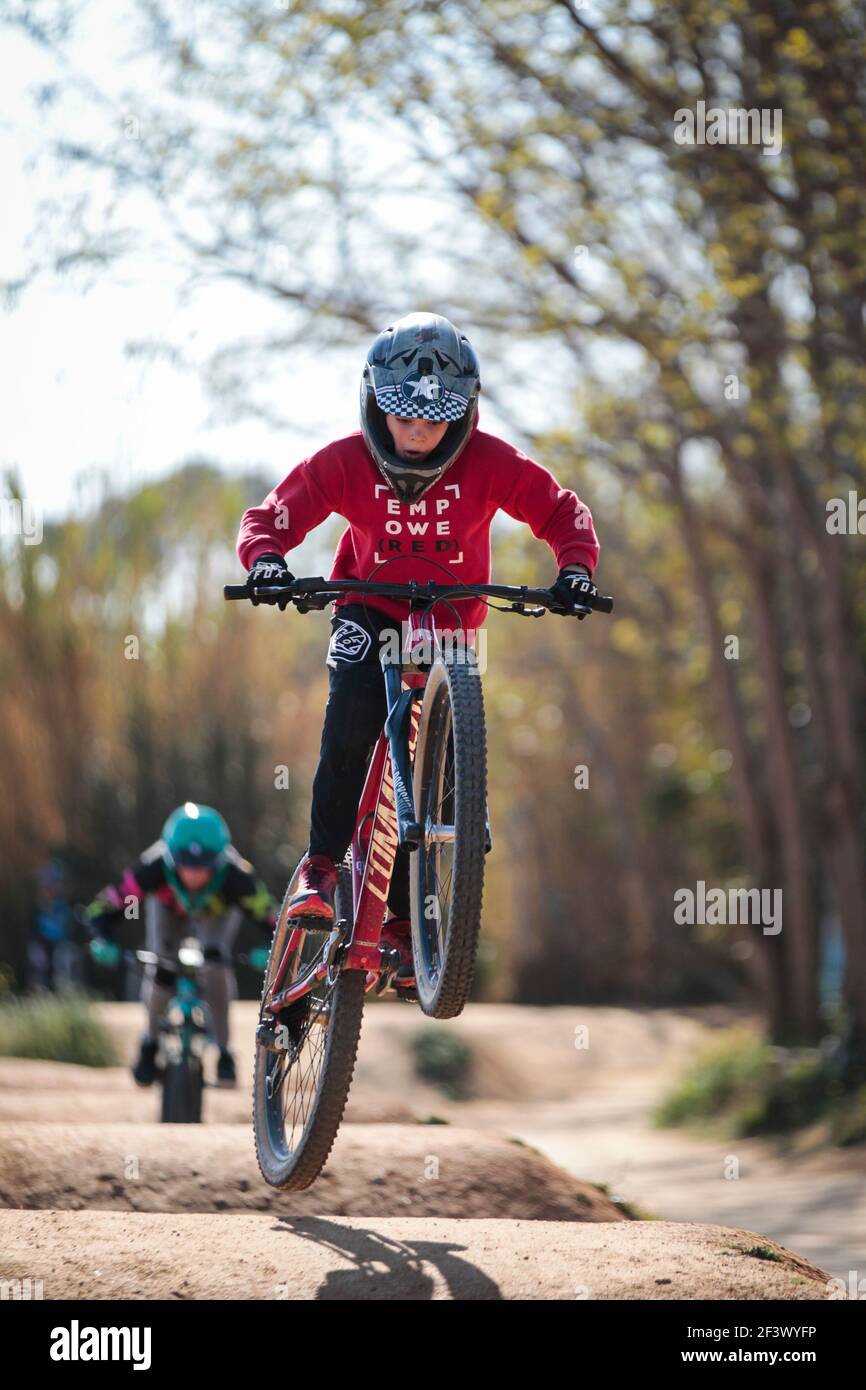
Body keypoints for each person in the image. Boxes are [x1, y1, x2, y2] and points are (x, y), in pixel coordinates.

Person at [236, 311, 600, 994]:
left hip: (448, 625)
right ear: (376, 403)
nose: (417, 434)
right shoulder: (344, 461)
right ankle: (320, 869)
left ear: (463, 414)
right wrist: (267, 563)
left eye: (435, 421)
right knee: (351, 715)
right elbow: (269, 519)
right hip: (367, 608)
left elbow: (561, 512)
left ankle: (409, 926)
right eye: (404, 417)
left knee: (436, 783)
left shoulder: (492, 463)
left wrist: (575, 568)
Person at [87, 803, 276, 1086]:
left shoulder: (238, 877)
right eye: (185, 864)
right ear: (171, 857)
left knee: (216, 962)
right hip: (167, 910)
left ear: (220, 860)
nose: (194, 873)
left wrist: (271, 949)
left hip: (218, 915)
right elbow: (104, 907)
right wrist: (102, 939)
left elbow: (275, 920)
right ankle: (149, 1042)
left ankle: (225, 1051)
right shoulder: (152, 868)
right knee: (161, 964)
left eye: (204, 866)